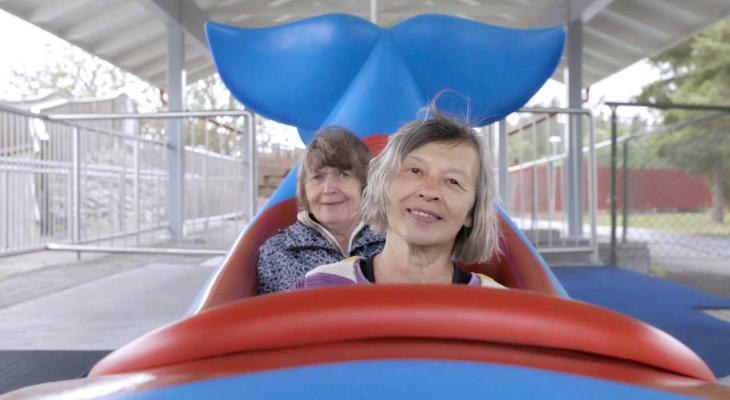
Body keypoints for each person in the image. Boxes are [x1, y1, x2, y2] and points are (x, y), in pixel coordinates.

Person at [297, 107, 504, 289]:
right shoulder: (318, 287)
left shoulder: (497, 306)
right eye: (415, 170)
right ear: (383, 186)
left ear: (472, 212)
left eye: (452, 181)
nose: (429, 191)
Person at [257, 126, 385, 294]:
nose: (329, 189)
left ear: (364, 184)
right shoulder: (278, 251)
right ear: (304, 189)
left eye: (342, 175)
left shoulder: (392, 241)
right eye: (317, 177)